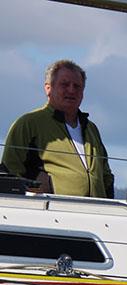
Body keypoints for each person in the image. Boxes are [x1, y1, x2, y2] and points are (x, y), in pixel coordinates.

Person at [2, 59, 114, 198]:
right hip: (52, 213)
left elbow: (106, 176)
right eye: (65, 84)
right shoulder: (28, 124)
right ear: (48, 88)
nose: (71, 90)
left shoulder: (91, 128)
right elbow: (10, 173)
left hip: (98, 214)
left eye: (77, 86)